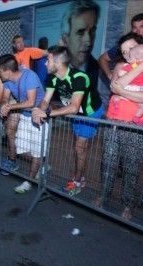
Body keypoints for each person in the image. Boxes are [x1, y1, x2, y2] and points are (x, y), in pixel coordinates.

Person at [95, 32, 143, 220]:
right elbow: (114, 87)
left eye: (132, 48)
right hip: (113, 122)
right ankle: (104, 194)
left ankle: (128, 204)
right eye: (124, 51)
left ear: (142, 46)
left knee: (131, 166)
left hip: (138, 126)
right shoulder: (120, 65)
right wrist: (139, 68)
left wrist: (123, 91)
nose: (128, 54)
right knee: (108, 161)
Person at [32, 46, 104, 196]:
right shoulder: (53, 77)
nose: (45, 63)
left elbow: (73, 107)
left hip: (90, 113)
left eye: (48, 60)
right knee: (77, 146)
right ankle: (80, 175)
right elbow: (45, 100)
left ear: (58, 63)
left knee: (79, 147)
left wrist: (47, 113)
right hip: (76, 113)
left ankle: (78, 181)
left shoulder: (79, 77)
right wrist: (39, 110)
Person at [0, 54, 45, 192]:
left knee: (36, 151)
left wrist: (10, 107)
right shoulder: (7, 81)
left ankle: (29, 181)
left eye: (0, 71)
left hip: (39, 116)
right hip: (25, 114)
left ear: (7, 71)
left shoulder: (29, 76)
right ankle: (41, 162)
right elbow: (5, 97)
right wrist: (4, 105)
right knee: (21, 146)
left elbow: (31, 102)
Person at [59, 0, 101, 87]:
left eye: (92, 31)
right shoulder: (56, 68)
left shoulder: (99, 71)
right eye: (80, 32)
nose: (88, 41)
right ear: (65, 38)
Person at [112, 44, 143, 125]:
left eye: (130, 54)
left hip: (130, 88)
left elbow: (121, 73)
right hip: (139, 90)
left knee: (119, 96)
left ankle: (117, 100)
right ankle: (136, 117)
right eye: (124, 52)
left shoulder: (134, 64)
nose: (128, 56)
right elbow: (115, 85)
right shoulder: (139, 64)